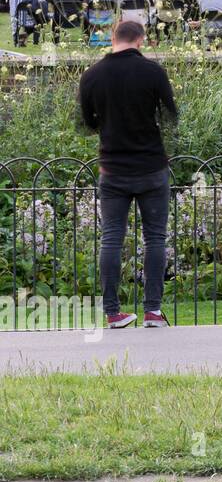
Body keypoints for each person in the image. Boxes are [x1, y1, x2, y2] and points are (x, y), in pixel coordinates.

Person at [78, 20, 177, 328]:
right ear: (140, 40)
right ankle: (152, 311)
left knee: (110, 239)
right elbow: (170, 115)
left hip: (113, 168)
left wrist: (107, 127)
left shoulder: (92, 75)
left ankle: (112, 313)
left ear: (113, 38)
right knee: (155, 238)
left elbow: (86, 121)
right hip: (151, 166)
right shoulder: (152, 72)